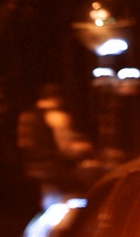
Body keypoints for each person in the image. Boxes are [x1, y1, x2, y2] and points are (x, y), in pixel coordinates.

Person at [17, 83, 92, 213]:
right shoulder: (57, 116)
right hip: (55, 170)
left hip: (32, 169)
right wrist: (83, 148)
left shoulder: (26, 116)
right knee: (83, 188)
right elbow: (66, 148)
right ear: (57, 98)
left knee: (48, 204)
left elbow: (23, 143)